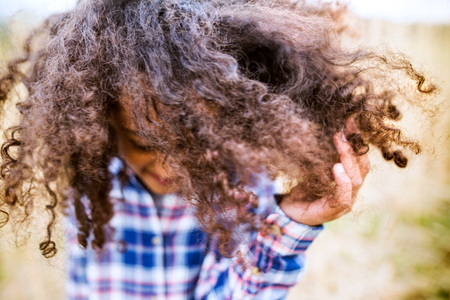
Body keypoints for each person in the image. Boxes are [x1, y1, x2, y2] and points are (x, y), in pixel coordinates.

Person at [0, 0, 434, 299]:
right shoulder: (91, 171)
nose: (173, 166)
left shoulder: (236, 177)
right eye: (145, 142)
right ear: (101, 115)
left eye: (195, 143)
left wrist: (289, 225)